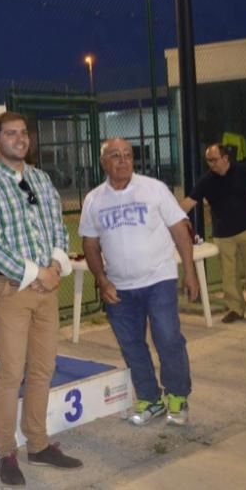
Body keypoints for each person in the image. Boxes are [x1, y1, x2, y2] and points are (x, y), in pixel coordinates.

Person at [0, 112, 82, 486]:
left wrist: (55, 266)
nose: (20, 139)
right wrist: (36, 274)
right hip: (10, 291)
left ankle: (38, 443)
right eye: (11, 134)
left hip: (46, 288)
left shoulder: (41, 179)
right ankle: (5, 453)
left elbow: (57, 228)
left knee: (43, 369)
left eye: (23, 134)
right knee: (11, 372)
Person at [81, 138, 199, 427]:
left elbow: (180, 230)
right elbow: (90, 244)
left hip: (159, 279)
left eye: (128, 155)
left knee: (168, 339)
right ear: (103, 162)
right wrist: (102, 280)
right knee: (132, 345)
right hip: (119, 287)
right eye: (115, 156)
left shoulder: (153, 188)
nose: (123, 161)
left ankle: (177, 395)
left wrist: (190, 272)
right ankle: (149, 399)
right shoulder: (94, 199)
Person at [181, 143, 246, 326]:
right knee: (228, 275)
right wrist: (176, 215)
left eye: (214, 160)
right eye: (208, 161)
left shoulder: (244, 172)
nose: (211, 164)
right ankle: (235, 309)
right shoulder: (206, 180)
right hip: (222, 234)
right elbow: (189, 202)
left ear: (225, 158)